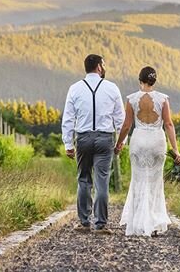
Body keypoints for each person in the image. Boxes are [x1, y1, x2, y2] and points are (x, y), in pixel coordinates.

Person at [115, 66, 180, 237]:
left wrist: (119, 143)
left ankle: (138, 223)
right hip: (156, 141)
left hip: (138, 141)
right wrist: (175, 149)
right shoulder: (162, 99)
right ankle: (152, 222)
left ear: (140, 81)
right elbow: (168, 124)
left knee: (138, 181)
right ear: (154, 81)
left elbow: (126, 125)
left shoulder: (132, 99)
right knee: (154, 182)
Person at [62, 54, 125, 233]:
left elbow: (68, 118)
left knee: (83, 179)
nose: (104, 67)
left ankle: (83, 223)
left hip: (83, 138)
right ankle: (101, 224)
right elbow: (120, 118)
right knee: (102, 181)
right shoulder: (112, 88)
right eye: (103, 64)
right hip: (105, 139)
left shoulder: (74, 89)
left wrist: (68, 143)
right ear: (99, 67)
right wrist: (121, 141)